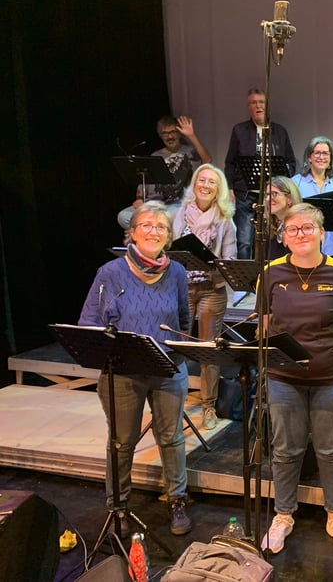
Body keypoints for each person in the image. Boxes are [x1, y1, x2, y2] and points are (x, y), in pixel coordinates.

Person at [255, 203, 333, 556]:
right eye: (292, 229)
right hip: (283, 378)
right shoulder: (269, 274)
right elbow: (265, 323)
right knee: (286, 449)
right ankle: (283, 515)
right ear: (284, 238)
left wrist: (325, 352)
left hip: (332, 378)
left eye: (307, 228)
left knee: (331, 450)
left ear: (321, 233)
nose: (300, 234)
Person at [79, 201, 193, 535]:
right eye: (146, 225)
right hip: (123, 370)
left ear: (168, 236)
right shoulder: (110, 272)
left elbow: (183, 319)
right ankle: (118, 506)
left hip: (167, 367)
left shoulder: (177, 272)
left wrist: (175, 353)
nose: (154, 231)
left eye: (161, 227)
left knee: (171, 438)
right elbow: (89, 321)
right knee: (121, 441)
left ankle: (177, 500)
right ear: (132, 232)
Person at [172, 165, 237, 430]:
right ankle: (173, 404)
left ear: (218, 188)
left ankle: (208, 405)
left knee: (209, 350)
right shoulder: (179, 214)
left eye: (212, 182)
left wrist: (211, 262)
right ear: (194, 183)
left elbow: (230, 260)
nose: (205, 185)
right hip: (181, 288)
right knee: (176, 345)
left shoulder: (225, 220)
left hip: (211, 288)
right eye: (202, 180)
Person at [225, 88, 297, 259]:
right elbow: (230, 162)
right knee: (244, 241)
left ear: (267, 105)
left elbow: (291, 162)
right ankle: (245, 276)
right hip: (246, 194)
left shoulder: (280, 131)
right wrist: (230, 188)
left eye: (261, 102)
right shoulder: (239, 130)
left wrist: (284, 180)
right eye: (253, 102)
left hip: (273, 195)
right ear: (248, 106)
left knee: (271, 238)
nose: (258, 106)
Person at [117, 115, 212, 230]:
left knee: (169, 217)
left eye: (173, 132)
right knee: (124, 216)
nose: (169, 136)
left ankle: (155, 232)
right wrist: (139, 199)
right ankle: (152, 234)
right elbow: (143, 183)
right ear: (160, 135)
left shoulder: (190, 152)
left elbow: (207, 159)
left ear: (179, 133)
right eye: (165, 133)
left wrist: (191, 135)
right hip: (153, 203)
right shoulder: (155, 155)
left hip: (177, 203)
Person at [292, 136, 333, 259]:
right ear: (309, 157)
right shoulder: (295, 183)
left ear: (330, 159)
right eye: (317, 153)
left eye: (325, 153)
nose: (321, 157)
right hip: (303, 247)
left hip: (330, 249)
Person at [264, 176, 302, 261]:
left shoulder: (302, 228)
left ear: (289, 199)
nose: (268, 199)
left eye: (274, 194)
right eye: (267, 195)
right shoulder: (268, 228)